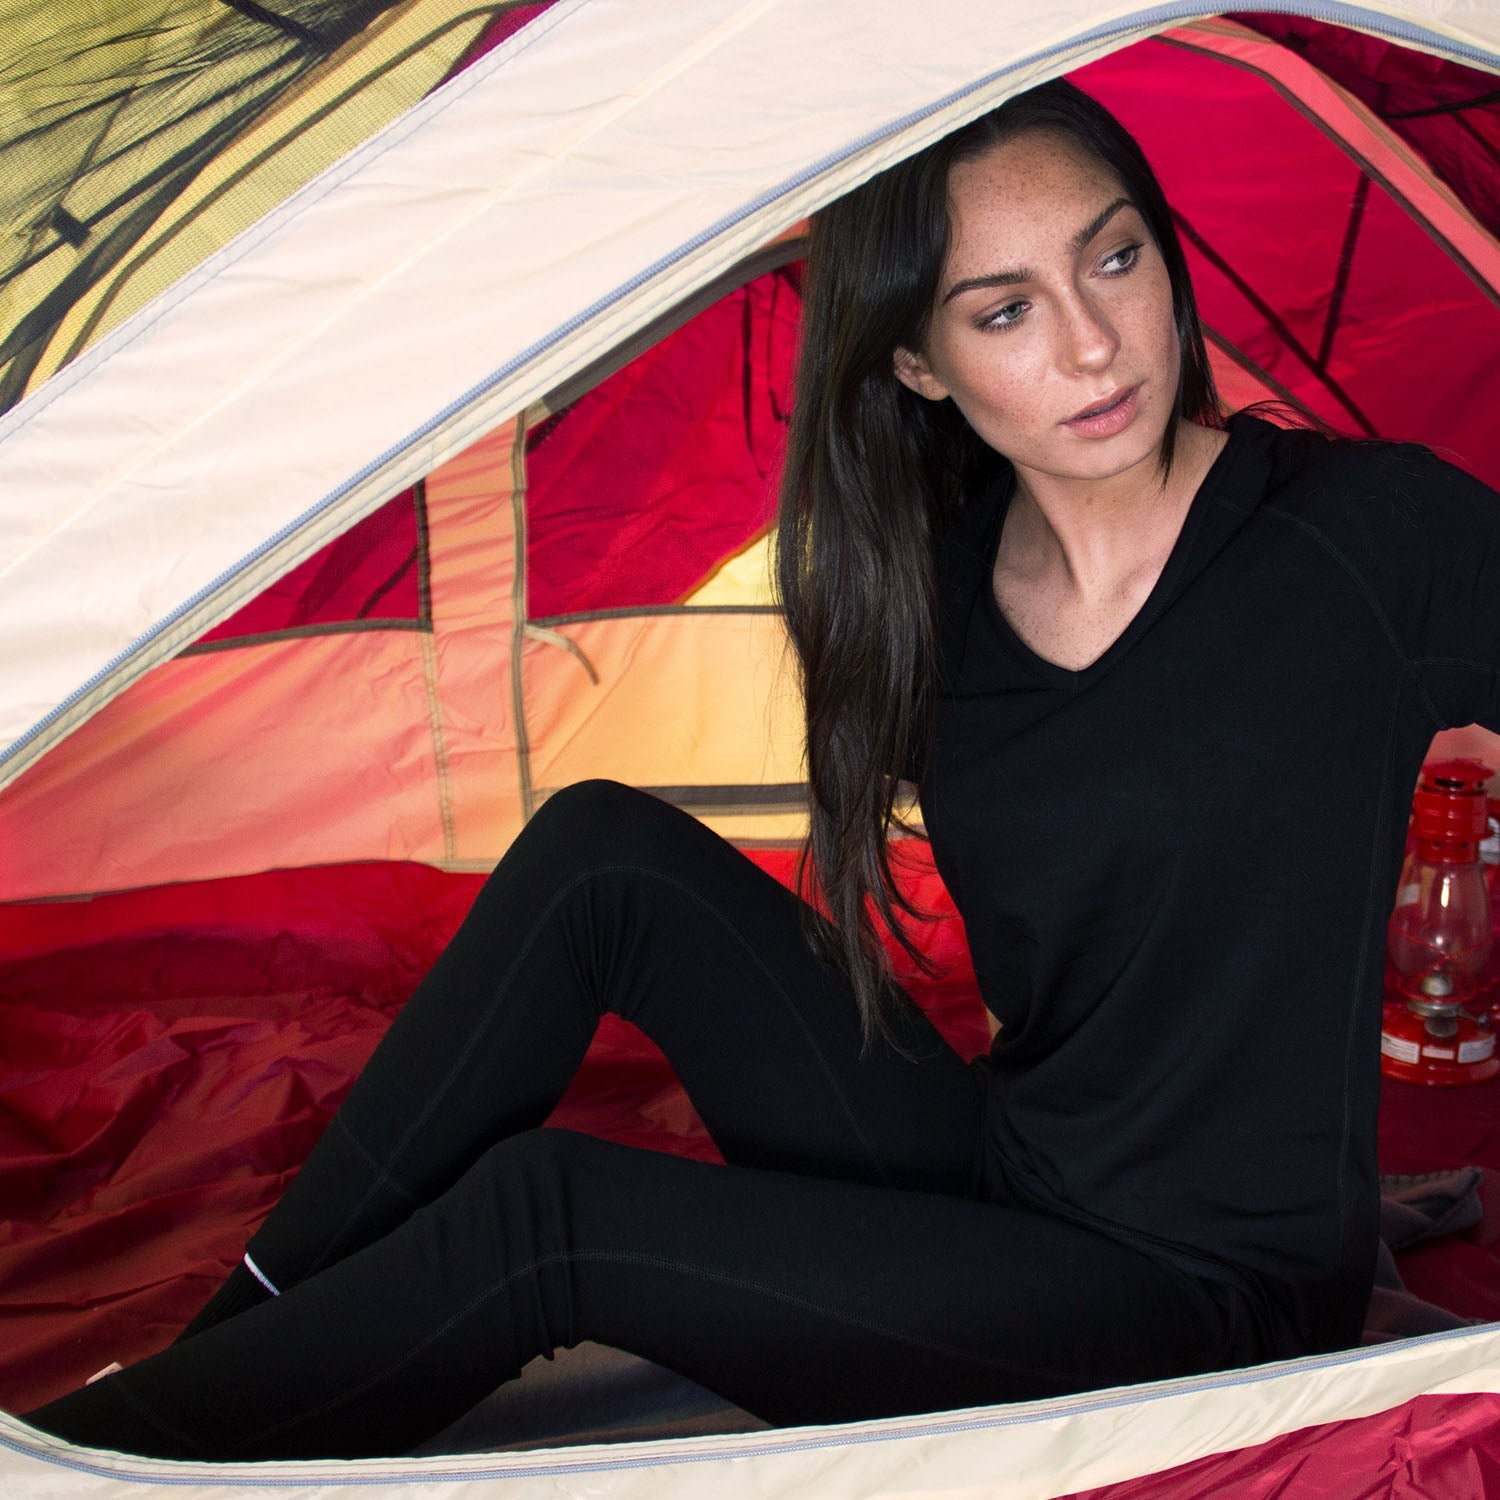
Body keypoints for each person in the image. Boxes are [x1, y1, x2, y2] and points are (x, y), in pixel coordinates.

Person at [24, 78, 1500, 1462]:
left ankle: (93, 1473)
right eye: (1005, 310)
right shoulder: (940, 590)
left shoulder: (1361, 540)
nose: (1093, 342)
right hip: (1016, 1175)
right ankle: (219, 1360)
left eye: (1114, 261)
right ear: (918, 362)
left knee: (555, 1215)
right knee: (603, 855)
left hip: (1205, 1300)